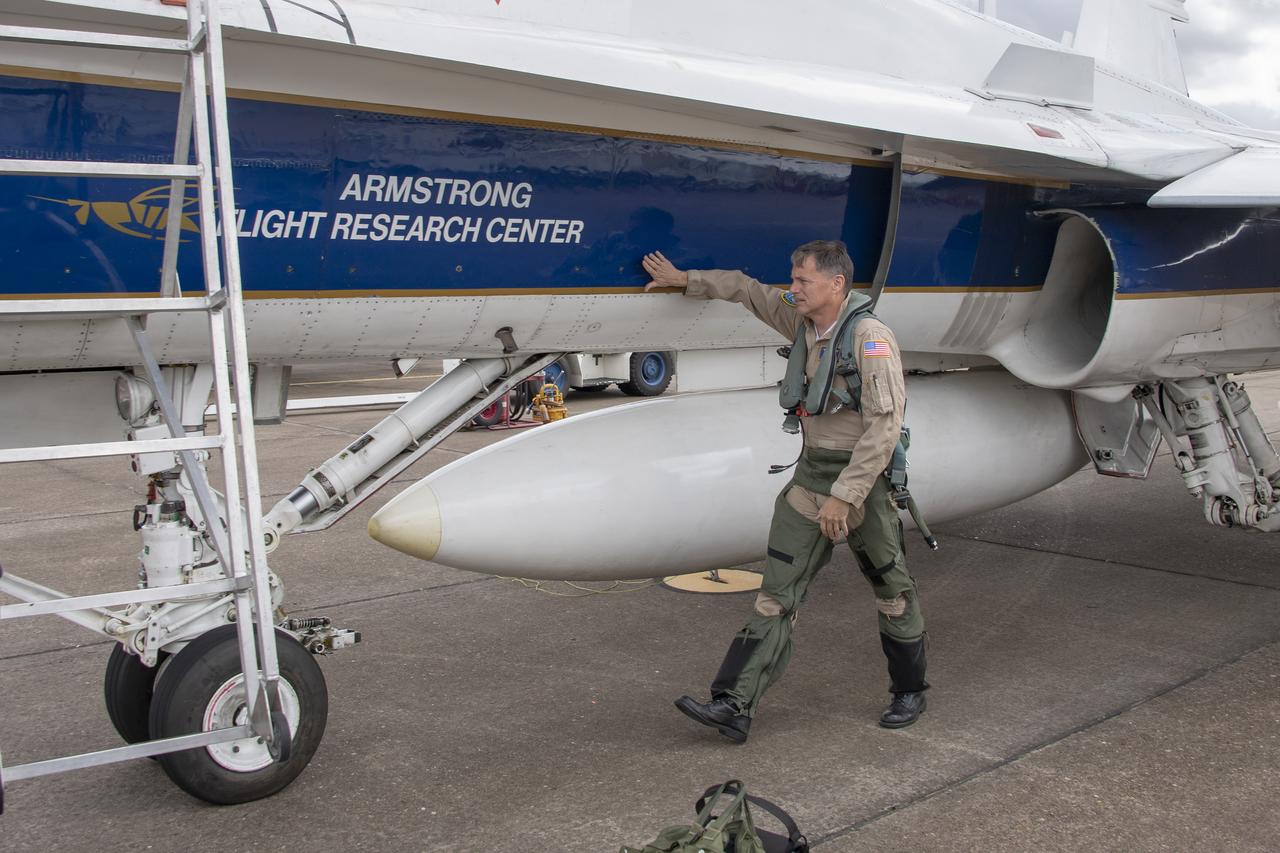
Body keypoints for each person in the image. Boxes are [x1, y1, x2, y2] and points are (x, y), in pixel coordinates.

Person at [642, 241, 927, 742]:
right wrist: (685, 279)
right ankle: (734, 704)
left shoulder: (870, 338)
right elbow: (747, 291)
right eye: (793, 280)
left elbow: (885, 426)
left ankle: (909, 690)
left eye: (803, 282)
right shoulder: (802, 322)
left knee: (891, 591)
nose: (792, 290)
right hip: (810, 478)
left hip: (861, 485)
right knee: (775, 597)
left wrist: (847, 496)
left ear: (836, 284)